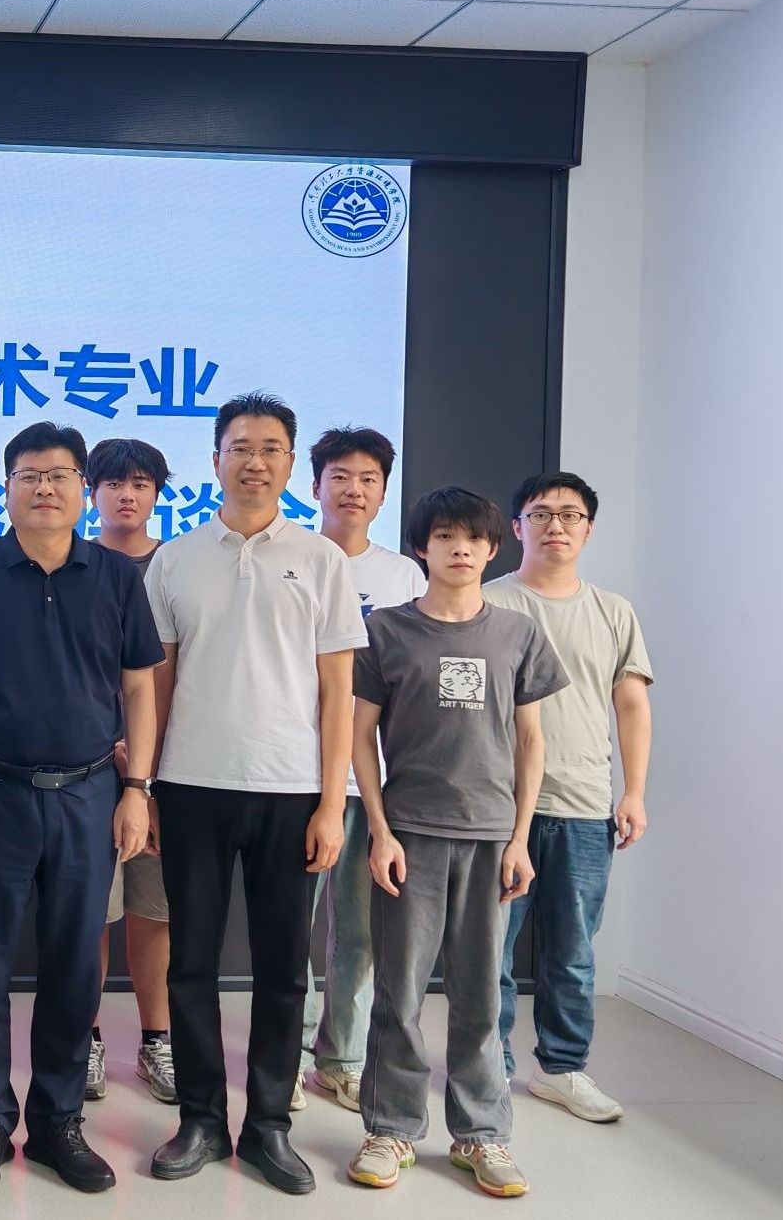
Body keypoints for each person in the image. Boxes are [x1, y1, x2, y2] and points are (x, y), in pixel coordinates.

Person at [0, 424, 162, 1195]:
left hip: (90, 794)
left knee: (73, 965)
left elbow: (138, 688)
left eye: (59, 475)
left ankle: (59, 1120)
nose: (44, 488)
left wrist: (137, 789)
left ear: (80, 488)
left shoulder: (116, 576)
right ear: (7, 488)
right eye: (29, 475)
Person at [143, 393, 363, 1196]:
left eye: (271, 448)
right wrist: (148, 785)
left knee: (281, 969)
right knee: (191, 962)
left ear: (290, 463)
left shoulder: (322, 559)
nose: (255, 461)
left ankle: (268, 1122)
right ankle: (201, 1118)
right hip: (190, 784)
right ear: (215, 460)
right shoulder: (175, 559)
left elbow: (338, 693)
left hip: (291, 788)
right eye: (240, 447)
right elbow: (156, 684)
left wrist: (332, 801)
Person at [348, 487, 566, 1198]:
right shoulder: (385, 631)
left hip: (491, 836)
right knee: (399, 992)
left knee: (480, 994)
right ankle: (391, 1128)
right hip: (409, 834)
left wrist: (520, 838)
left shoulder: (518, 634)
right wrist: (379, 830)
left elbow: (531, 742)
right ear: (422, 546)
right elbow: (359, 737)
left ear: (492, 548)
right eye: (444, 536)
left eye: (472, 538)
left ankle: (481, 1133)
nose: (460, 549)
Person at [485, 472, 653, 1124]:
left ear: (588, 528)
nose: (555, 525)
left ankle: (561, 1068)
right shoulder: (488, 601)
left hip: (584, 804)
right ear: (516, 526)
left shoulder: (613, 611)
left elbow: (631, 704)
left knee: (574, 951)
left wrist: (633, 791)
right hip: (498, 805)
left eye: (570, 515)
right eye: (540, 513)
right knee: (490, 946)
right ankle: (489, 1066)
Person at [300, 426, 429, 1113]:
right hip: (298, 774)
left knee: (358, 931)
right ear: (314, 485)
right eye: (340, 476)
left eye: (369, 478)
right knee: (290, 929)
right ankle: (287, 1055)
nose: (353, 489)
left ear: (383, 492)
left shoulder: (404, 576)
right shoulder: (293, 558)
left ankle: (341, 1057)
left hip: (371, 782)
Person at [84, 437, 178, 1105]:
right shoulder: (73, 562)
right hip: (87, 768)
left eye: (141, 483)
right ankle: (85, 1038)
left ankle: (156, 1040)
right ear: (92, 491)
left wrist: (146, 759)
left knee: (153, 908)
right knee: (91, 908)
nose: (127, 495)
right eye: (114, 483)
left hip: (163, 771)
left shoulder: (175, 566)